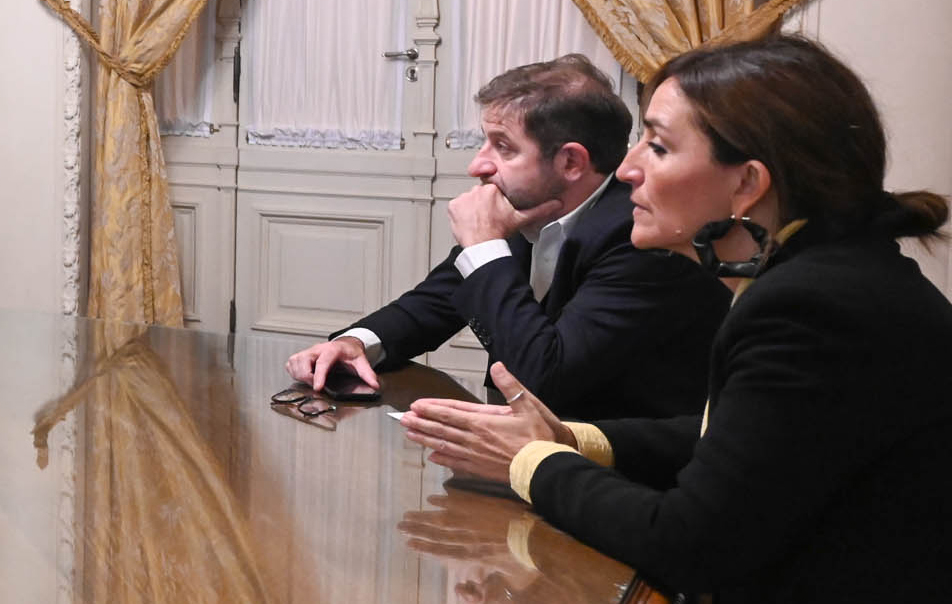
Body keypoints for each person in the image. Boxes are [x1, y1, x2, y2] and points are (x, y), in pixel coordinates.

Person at [398, 35, 952, 604]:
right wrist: (571, 438)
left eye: (655, 146)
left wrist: (530, 461)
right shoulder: (822, 277)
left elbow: (690, 541)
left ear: (746, 183)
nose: (625, 169)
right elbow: (725, 438)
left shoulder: (807, 305)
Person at [287, 54, 727, 418]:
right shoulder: (526, 211)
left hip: (613, 472)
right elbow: (433, 303)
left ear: (572, 162)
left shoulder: (638, 236)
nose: (478, 166)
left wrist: (484, 246)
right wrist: (354, 343)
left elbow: (545, 381)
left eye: (503, 147)